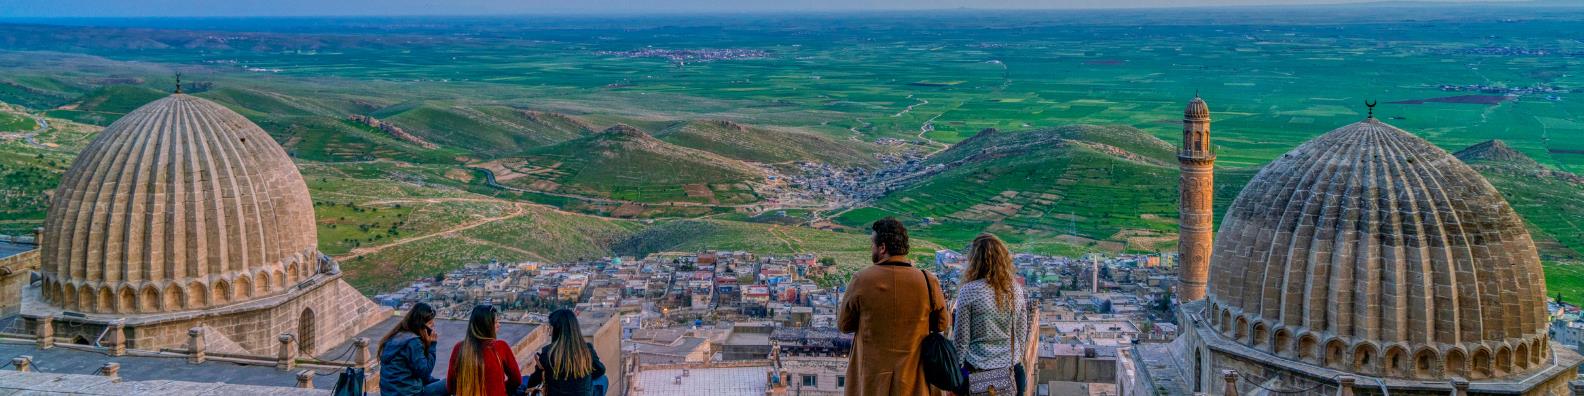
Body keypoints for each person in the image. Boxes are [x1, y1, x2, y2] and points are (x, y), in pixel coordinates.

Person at [838, 217, 949, 396]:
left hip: (871, 381)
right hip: (915, 380)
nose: (871, 249)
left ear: (882, 248)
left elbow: (844, 325)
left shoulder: (861, 280)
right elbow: (942, 324)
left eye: (872, 244)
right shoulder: (928, 281)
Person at [951, 234, 1029, 396]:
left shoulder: (969, 291)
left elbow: (961, 340)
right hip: (1011, 374)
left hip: (976, 375)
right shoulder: (1015, 290)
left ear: (974, 261)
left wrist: (956, 374)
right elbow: (1021, 334)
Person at [521, 309, 607, 396]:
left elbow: (534, 381)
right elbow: (601, 370)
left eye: (550, 328)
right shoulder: (587, 349)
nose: (550, 333)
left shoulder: (548, 352)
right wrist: (583, 378)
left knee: (524, 379)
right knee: (603, 379)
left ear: (557, 329)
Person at [447, 304, 522, 396]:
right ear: (487, 325)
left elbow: (450, 387)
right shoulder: (500, 347)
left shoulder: (459, 349)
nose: (499, 325)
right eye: (496, 322)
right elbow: (517, 380)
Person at [379, 302, 445, 396]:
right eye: (430, 324)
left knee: (438, 383)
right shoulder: (413, 342)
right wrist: (432, 346)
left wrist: (434, 381)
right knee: (450, 383)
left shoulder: (396, 336)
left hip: (390, 392)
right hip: (408, 393)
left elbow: (417, 371)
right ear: (421, 325)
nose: (433, 327)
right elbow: (424, 372)